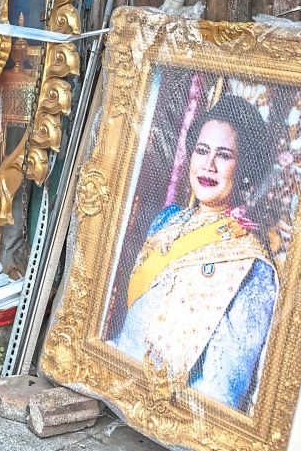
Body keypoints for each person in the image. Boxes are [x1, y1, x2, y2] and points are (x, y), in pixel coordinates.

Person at [110, 95, 278, 414]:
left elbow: (222, 391)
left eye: (224, 155)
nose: (208, 165)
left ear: (245, 168)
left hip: (170, 413)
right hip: (116, 382)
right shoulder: (166, 220)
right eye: (202, 151)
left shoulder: (250, 265)